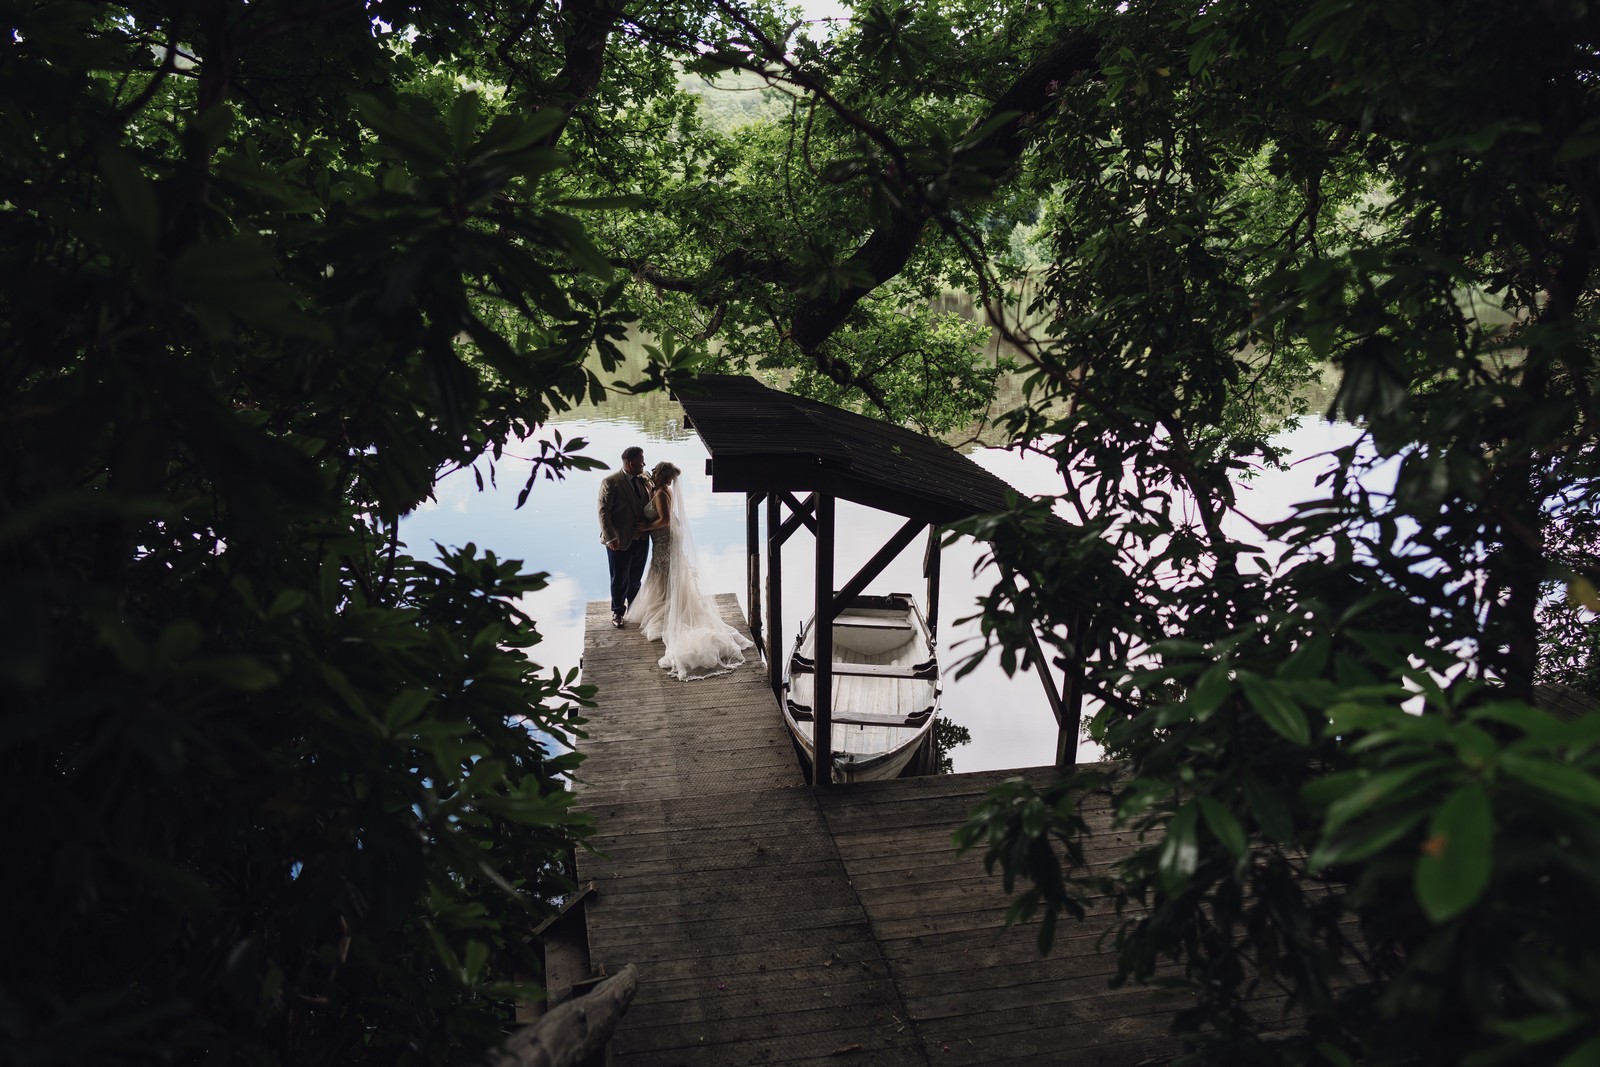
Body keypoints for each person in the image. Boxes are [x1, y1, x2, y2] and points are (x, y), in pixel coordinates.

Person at [625, 461, 754, 680]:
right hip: (663, 539)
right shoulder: (658, 489)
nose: (652, 471)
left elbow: (665, 520)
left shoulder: (661, 494)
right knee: (663, 574)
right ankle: (668, 604)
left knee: (666, 572)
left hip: (665, 538)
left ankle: (673, 609)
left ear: (662, 475)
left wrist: (646, 527)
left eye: (655, 470)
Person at [598, 445, 651, 629]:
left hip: (642, 538)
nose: (644, 464)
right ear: (630, 463)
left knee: (636, 577)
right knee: (619, 578)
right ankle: (618, 612)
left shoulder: (644, 480)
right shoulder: (611, 482)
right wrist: (610, 537)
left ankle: (634, 610)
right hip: (619, 539)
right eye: (640, 462)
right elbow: (603, 511)